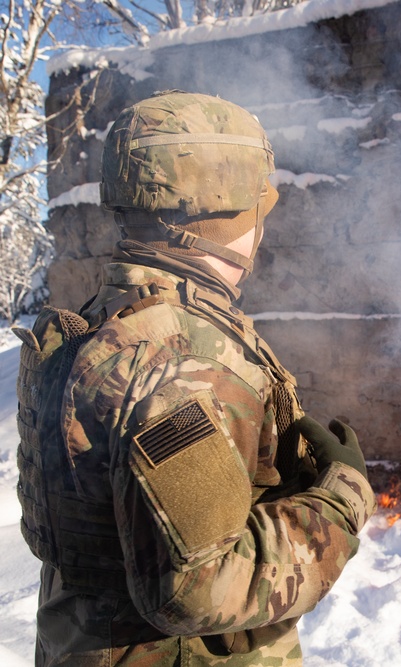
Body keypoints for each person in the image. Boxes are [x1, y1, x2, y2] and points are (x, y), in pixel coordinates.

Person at [13, 90, 376, 665]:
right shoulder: (183, 359)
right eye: (259, 205)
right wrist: (338, 501)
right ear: (223, 202)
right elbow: (197, 589)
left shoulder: (103, 317)